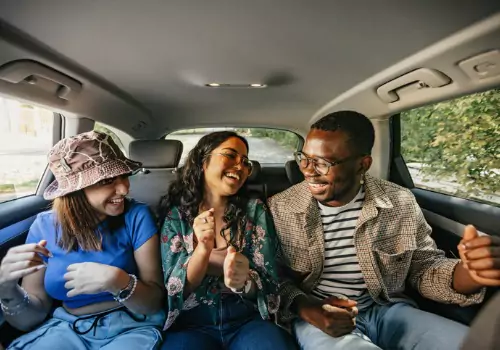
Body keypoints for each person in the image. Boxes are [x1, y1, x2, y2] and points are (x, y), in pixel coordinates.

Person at [268, 111, 500, 350]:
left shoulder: (399, 202)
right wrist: (309, 309)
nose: (308, 170)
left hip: (388, 309)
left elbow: (423, 269)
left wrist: (468, 274)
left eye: (323, 163)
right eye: (304, 158)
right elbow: (273, 280)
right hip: (319, 315)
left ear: (362, 164)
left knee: (476, 344)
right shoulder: (282, 207)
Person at [0, 131, 165, 349]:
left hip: (131, 324)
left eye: (124, 176)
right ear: (75, 190)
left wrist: (119, 281)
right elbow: (30, 319)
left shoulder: (137, 216)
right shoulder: (44, 226)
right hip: (65, 327)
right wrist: (6, 288)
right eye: (108, 180)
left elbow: (154, 302)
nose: (125, 188)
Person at [159, 131, 296, 350]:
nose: (240, 166)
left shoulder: (255, 211)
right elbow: (175, 290)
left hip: (248, 320)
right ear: (203, 161)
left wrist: (244, 282)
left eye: (245, 162)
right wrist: (202, 251)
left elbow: (271, 284)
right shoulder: (177, 217)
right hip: (192, 324)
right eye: (230, 155)